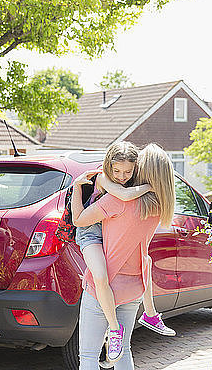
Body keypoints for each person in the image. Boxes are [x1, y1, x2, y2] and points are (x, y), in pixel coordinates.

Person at [73, 143, 176, 369]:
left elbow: (79, 221)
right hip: (133, 288)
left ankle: (122, 325)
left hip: (104, 287)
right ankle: (150, 314)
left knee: (89, 357)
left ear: (139, 170)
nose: (124, 175)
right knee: (124, 351)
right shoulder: (159, 208)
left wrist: (76, 189)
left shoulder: (117, 200)